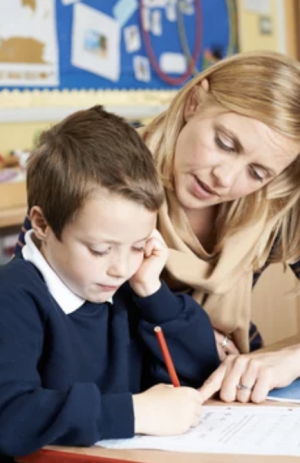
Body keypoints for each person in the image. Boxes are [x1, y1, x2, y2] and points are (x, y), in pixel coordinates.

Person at [15, 50, 300, 404]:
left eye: (257, 173)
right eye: (224, 143)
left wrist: (292, 356)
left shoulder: (274, 207)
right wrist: (180, 323)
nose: (224, 178)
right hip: (113, 394)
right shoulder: (95, 174)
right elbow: (45, 311)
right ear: (194, 102)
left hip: (219, 386)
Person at [0, 106, 219, 460]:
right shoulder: (14, 297)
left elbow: (200, 371)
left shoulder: (127, 289)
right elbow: (9, 415)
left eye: (138, 246)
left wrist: (153, 293)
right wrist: (133, 413)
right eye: (100, 249)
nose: (120, 268)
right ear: (41, 224)